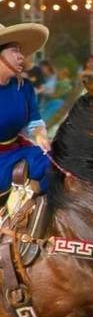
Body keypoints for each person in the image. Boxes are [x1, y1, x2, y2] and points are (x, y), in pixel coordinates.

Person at [0, 22, 51, 198]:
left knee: (56, 164)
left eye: (21, 51)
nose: (22, 56)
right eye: (15, 51)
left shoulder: (25, 87)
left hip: (18, 150)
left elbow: (34, 122)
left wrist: (40, 135)